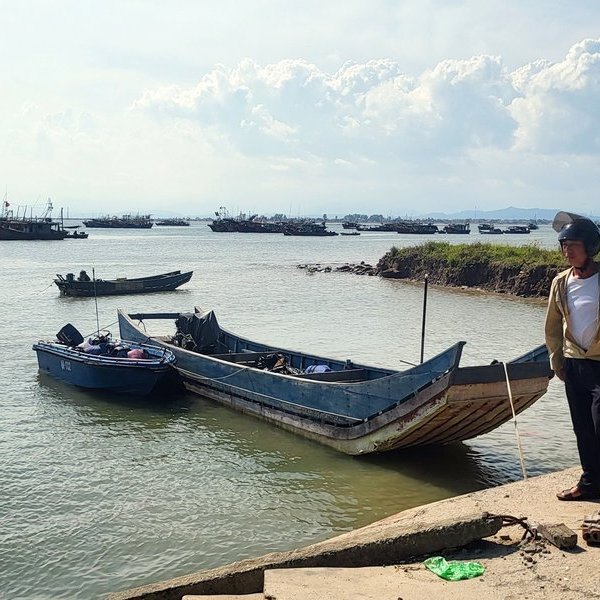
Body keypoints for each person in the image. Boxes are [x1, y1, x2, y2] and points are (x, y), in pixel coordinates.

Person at [545, 213, 600, 501]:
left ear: (590, 247)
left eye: (574, 245)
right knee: (582, 428)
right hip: (574, 363)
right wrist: (557, 361)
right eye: (564, 246)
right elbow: (553, 325)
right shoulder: (561, 282)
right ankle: (590, 483)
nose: (568, 251)